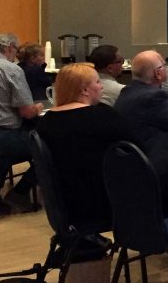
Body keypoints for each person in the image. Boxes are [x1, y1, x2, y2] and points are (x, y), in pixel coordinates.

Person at [36, 63, 135, 230]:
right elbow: (135, 150)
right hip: (103, 202)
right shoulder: (102, 117)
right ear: (84, 90)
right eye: (97, 82)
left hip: (64, 203)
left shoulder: (46, 122)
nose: (101, 86)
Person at [114, 50, 168, 218]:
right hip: (158, 169)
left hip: (133, 164)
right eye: (164, 66)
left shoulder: (127, 92)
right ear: (158, 73)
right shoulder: (153, 97)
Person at [0, 33, 43, 213]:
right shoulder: (12, 70)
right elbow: (26, 111)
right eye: (16, 50)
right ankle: (20, 192)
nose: (16, 54)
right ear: (9, 47)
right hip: (4, 138)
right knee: (51, 148)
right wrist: (39, 107)